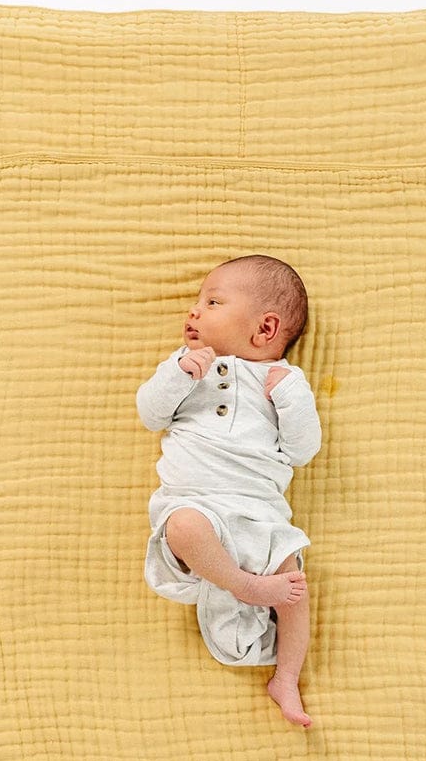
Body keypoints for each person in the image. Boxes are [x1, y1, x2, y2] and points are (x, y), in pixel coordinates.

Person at [135, 254, 322, 727]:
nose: (194, 311)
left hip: (259, 512)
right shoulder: (183, 366)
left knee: (295, 586)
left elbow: (302, 450)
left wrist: (288, 397)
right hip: (195, 501)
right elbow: (151, 415)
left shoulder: (286, 382)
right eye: (199, 302)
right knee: (182, 527)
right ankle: (245, 587)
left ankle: (287, 677)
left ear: (265, 329)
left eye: (213, 302)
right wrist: (180, 374)